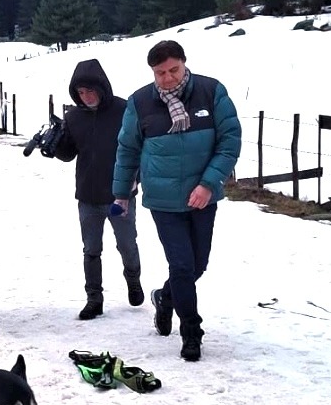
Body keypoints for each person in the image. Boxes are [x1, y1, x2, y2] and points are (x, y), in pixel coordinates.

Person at [112, 40, 241, 362]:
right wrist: (121, 194)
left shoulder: (211, 92)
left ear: (184, 63)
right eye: (160, 73)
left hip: (202, 197)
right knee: (181, 266)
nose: (167, 78)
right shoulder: (140, 102)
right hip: (163, 200)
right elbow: (127, 150)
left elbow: (229, 142)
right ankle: (191, 333)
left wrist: (208, 184)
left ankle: (165, 297)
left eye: (173, 70)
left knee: (198, 265)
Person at [54, 59, 143, 320]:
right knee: (91, 249)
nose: (86, 97)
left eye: (90, 91)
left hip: (120, 195)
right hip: (88, 196)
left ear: (102, 87)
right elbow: (68, 154)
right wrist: (55, 145)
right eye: (81, 92)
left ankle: (133, 278)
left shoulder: (124, 110)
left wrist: (136, 178)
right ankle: (94, 298)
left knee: (126, 244)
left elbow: (140, 147)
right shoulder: (74, 116)